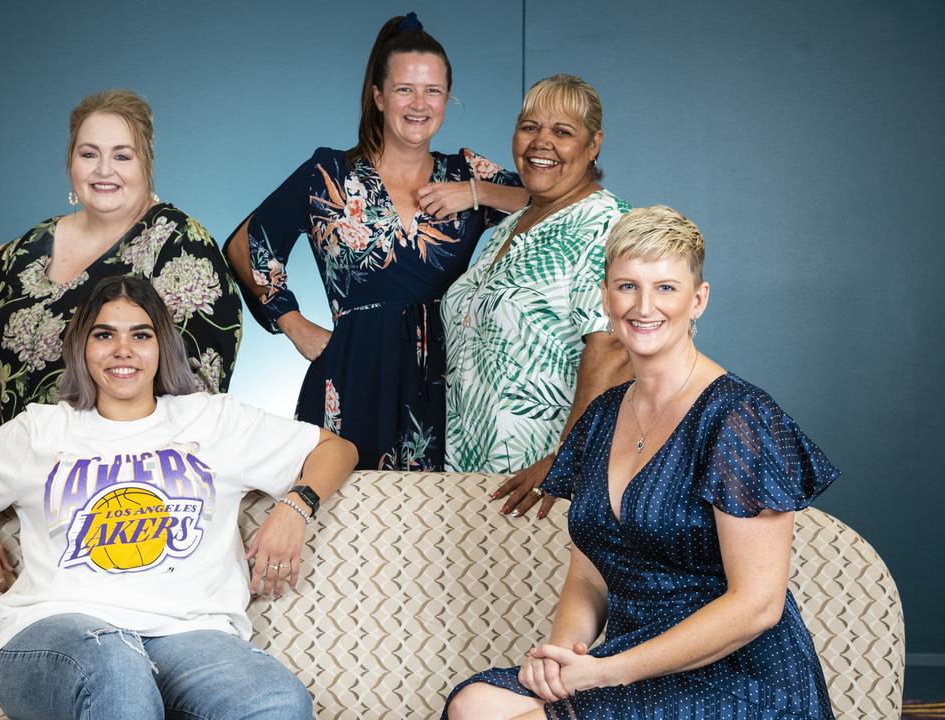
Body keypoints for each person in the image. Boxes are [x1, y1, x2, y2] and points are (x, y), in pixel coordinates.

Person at [443, 206, 838, 719]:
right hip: (627, 663)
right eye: (627, 286)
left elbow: (757, 606)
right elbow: (589, 576)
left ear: (699, 300)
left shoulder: (738, 417)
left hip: (735, 676)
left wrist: (607, 672)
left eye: (666, 288)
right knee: (474, 705)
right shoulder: (602, 417)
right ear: (606, 298)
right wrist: (564, 663)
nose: (644, 306)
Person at [0, 275, 357, 720]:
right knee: (115, 665)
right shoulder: (43, 429)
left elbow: (336, 448)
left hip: (190, 637)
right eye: (104, 334)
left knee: (279, 705)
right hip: (60, 634)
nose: (123, 350)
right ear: (81, 347)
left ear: (161, 346)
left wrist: (295, 507)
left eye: (141, 335)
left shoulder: (212, 420)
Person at [224, 12, 528, 471]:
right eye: (405, 89)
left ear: (447, 99)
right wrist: (293, 324)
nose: (419, 104)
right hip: (353, 374)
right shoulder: (329, 174)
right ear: (379, 97)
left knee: (437, 534)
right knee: (342, 528)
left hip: (445, 382)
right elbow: (246, 246)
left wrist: (474, 193)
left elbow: (548, 197)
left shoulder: (465, 172)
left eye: (434, 91)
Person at [0, 89, 241, 422]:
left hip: (119, 466)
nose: (104, 170)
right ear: (70, 161)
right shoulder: (25, 250)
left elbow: (196, 393)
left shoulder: (178, 242)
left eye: (122, 156)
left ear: (146, 162)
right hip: (12, 460)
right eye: (89, 154)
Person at [442, 73, 632, 519]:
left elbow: (612, 350)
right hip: (472, 477)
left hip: (546, 486)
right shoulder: (507, 227)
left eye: (562, 132)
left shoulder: (607, 224)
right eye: (529, 127)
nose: (540, 143)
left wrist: (566, 462)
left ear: (593, 145)